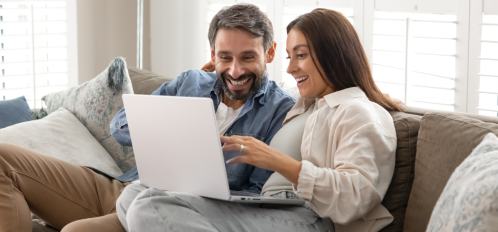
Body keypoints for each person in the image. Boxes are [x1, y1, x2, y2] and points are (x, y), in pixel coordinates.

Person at [0, 3, 295, 232]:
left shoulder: (281, 110)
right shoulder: (191, 82)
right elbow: (120, 126)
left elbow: (256, 195)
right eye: (225, 57)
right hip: (123, 185)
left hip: (172, 206)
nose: (234, 71)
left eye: (247, 57)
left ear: (269, 53)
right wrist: (166, 129)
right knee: (3, 157)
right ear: (212, 53)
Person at [116, 8, 403, 232]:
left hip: (306, 217)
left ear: (334, 55)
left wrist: (275, 160)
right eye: (290, 56)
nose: (289, 68)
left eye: (300, 55)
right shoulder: (309, 106)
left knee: (148, 208)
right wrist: (219, 73)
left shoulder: (360, 112)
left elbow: (357, 197)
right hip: (266, 206)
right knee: (133, 196)